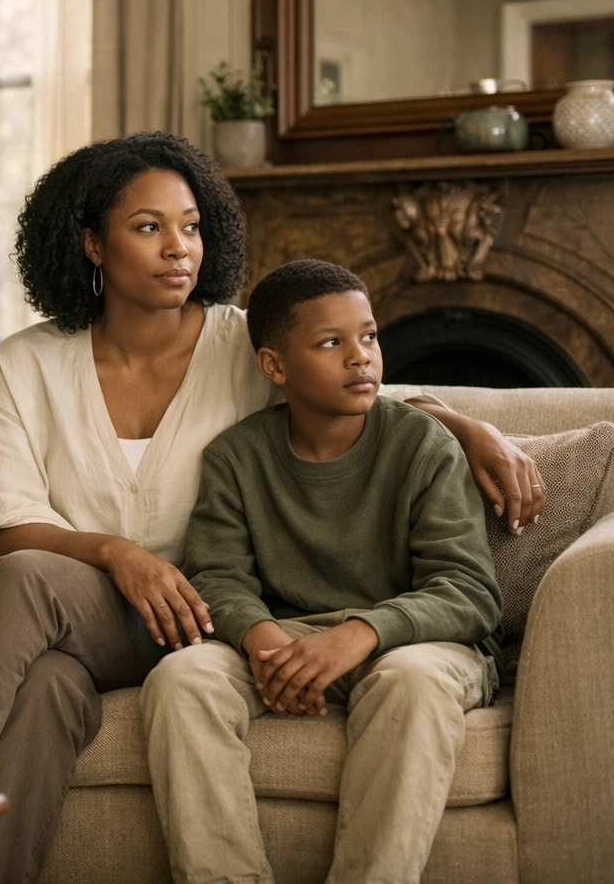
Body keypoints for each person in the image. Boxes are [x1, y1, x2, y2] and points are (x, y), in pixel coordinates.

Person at [0, 133, 541, 884]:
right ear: (92, 244)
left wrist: (469, 426)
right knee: (41, 661)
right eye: (148, 227)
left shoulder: (241, 347)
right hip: (77, 614)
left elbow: (356, 395)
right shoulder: (28, 362)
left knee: (37, 627)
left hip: (205, 622)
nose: (178, 249)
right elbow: (0, 529)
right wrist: (115, 553)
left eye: (191, 226)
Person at [141, 259, 503, 884]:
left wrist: (360, 633)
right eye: (332, 343)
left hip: (413, 644)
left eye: (369, 336)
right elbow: (217, 577)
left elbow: (469, 591)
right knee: (183, 676)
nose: (361, 357)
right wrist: (263, 638)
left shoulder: (423, 445)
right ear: (274, 366)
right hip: (289, 643)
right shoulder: (237, 456)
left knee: (412, 681)